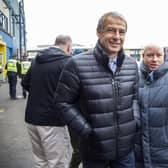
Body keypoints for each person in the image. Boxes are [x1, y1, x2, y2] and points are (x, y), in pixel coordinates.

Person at [54, 12, 139, 168]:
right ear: (98, 32)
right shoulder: (76, 64)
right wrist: (86, 130)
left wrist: (135, 122)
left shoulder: (132, 65)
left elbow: (135, 97)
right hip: (94, 150)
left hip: (125, 150)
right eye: (111, 30)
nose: (117, 36)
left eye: (122, 32)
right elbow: (62, 102)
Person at [21, 34, 72, 168]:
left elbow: (25, 83)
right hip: (53, 122)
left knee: (41, 161)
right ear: (68, 47)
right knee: (58, 163)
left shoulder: (37, 60)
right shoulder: (66, 62)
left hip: (32, 119)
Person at [135, 44, 168, 168]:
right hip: (137, 153)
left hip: (163, 153)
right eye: (150, 55)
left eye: (158, 55)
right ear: (142, 56)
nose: (155, 59)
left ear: (164, 57)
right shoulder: (133, 78)